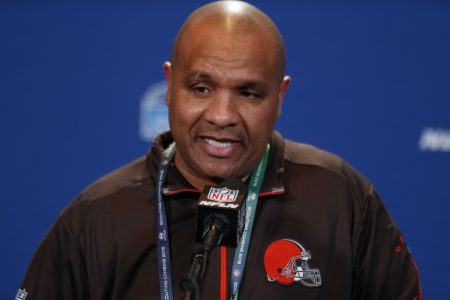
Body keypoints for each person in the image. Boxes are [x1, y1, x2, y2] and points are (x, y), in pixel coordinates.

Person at [18, 1, 421, 299]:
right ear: (170, 86)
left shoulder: (342, 198)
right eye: (201, 88)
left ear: (279, 97)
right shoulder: (96, 218)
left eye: (248, 93)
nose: (222, 116)